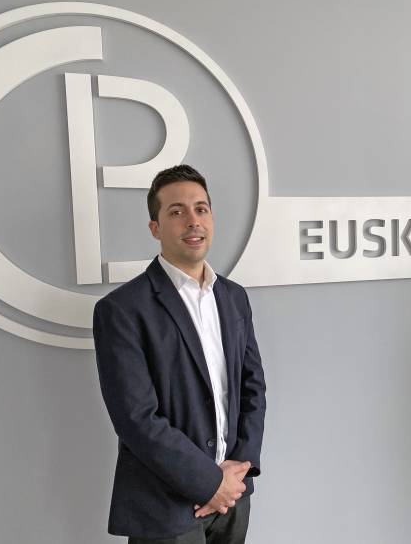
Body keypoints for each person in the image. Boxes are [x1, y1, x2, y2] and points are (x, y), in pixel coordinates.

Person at [93, 165, 266, 544]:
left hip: (234, 498)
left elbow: (253, 388)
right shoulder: (122, 310)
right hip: (165, 505)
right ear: (155, 228)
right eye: (176, 211)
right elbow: (136, 418)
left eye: (201, 209)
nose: (193, 220)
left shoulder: (234, 298)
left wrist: (239, 472)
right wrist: (209, 483)